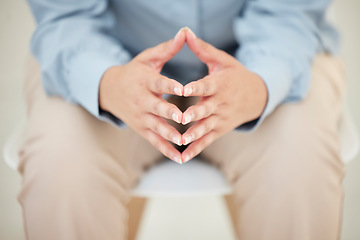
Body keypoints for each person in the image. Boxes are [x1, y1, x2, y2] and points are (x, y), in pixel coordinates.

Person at [18, 0, 345, 239]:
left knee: (300, 159)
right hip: (109, 62)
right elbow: (66, 18)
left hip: (262, 59)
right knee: (60, 162)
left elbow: (290, 15)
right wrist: (107, 83)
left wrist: (261, 85)